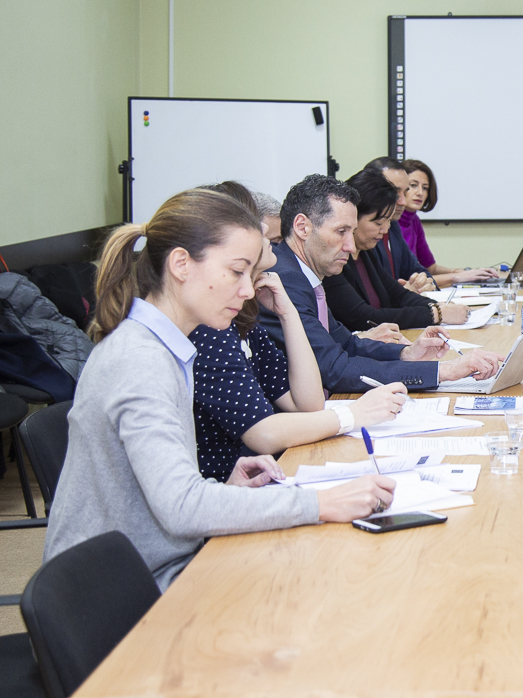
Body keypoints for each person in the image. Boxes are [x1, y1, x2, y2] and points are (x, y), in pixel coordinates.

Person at [45, 188, 397, 590]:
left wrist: (219, 489)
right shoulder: (140, 361)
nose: (248, 291)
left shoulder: (165, 345)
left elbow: (161, 491)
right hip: (126, 586)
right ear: (181, 264)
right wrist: (322, 502)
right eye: (236, 272)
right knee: (330, 581)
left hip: (157, 557)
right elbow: (182, 508)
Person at [191, 235, 408, 481]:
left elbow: (309, 404)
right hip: (226, 489)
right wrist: (354, 414)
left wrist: (288, 313)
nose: (271, 241)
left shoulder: (244, 322)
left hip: (258, 478)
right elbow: (263, 434)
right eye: (263, 233)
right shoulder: (211, 329)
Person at [259, 174, 503, 393]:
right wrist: (445, 370)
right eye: (341, 231)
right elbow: (334, 368)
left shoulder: (303, 273)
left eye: (351, 232)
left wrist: (407, 354)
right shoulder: (286, 280)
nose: (350, 246)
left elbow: (346, 344)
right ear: (302, 227)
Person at [324, 168, 470, 330]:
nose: (385, 229)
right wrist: (436, 314)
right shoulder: (333, 261)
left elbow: (398, 295)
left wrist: (438, 306)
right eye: (378, 223)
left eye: (388, 221)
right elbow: (364, 317)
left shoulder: (366, 252)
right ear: (353, 217)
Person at [396, 159, 500, 287]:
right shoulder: (391, 224)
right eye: (413, 185)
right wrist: (457, 277)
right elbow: (406, 280)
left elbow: (430, 268)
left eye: (425, 188)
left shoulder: (414, 221)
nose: (420, 193)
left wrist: (464, 273)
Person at [363, 157, 437, 293]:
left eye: (404, 192)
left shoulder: (393, 227)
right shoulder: (363, 234)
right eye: (395, 193)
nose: (402, 201)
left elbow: (419, 270)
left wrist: (425, 283)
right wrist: (404, 293)